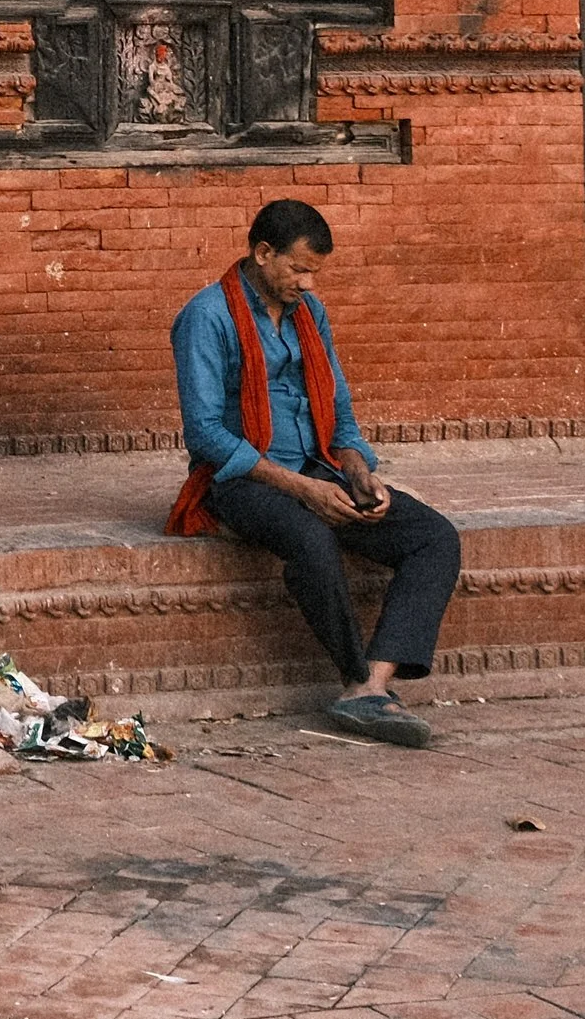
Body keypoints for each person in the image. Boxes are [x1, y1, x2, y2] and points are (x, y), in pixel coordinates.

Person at [167, 199, 460, 747]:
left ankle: (373, 685)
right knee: (311, 536)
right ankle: (354, 679)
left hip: (318, 465)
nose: (306, 282)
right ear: (262, 253)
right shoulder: (206, 317)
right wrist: (302, 489)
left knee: (433, 537)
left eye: (314, 273)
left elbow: (338, 407)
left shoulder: (310, 313)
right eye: (298, 269)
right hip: (245, 480)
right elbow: (204, 434)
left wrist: (356, 468)